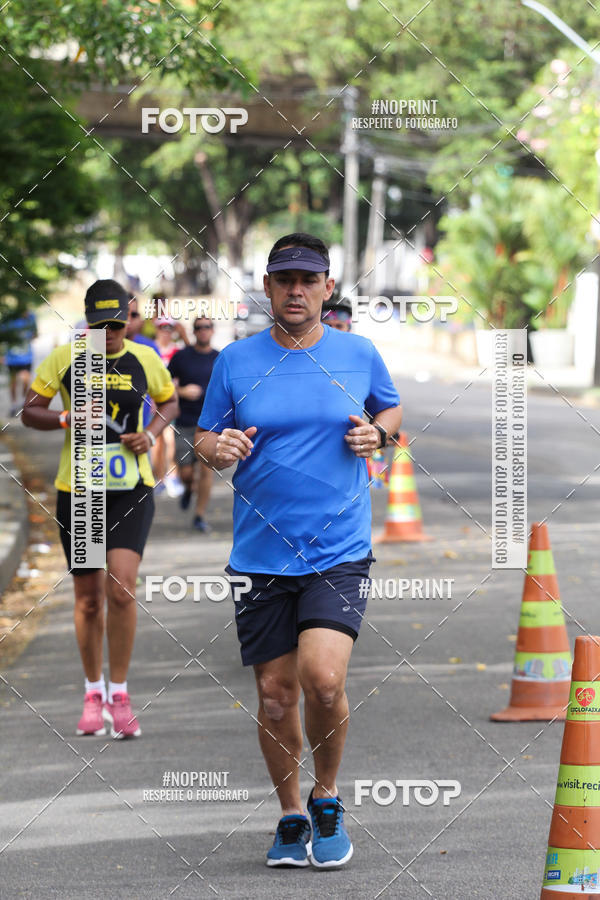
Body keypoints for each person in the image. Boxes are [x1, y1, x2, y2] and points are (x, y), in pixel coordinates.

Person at [195, 233, 402, 869]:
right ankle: (290, 813)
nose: (295, 290)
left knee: (324, 678)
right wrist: (217, 448)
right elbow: (203, 434)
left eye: (308, 280)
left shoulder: (359, 354)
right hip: (258, 556)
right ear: (267, 286)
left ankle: (328, 796)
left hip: (338, 549)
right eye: (284, 278)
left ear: (327, 288)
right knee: (276, 694)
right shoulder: (235, 360)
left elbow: (391, 415)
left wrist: (377, 435)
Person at [22, 279, 178, 739]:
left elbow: (168, 402)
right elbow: (31, 410)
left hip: (131, 486)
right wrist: (68, 417)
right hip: (82, 490)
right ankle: (93, 692)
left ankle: (120, 692)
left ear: (128, 319)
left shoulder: (145, 358)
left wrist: (149, 433)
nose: (108, 334)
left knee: (121, 590)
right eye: (99, 325)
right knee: (89, 598)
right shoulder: (66, 357)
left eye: (116, 324)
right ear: (87, 321)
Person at [168, 316, 219, 532]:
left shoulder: (220, 358)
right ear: (194, 331)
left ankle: (200, 515)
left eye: (207, 327)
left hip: (211, 424)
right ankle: (188, 489)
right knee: (186, 473)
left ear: (212, 330)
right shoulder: (182, 357)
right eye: (199, 328)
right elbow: (165, 385)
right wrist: (182, 391)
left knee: (207, 471)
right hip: (186, 422)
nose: (203, 331)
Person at [2, 310, 37, 416]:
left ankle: (23, 401)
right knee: (13, 382)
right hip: (11, 357)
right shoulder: (8, 317)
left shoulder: (31, 316)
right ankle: (14, 404)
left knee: (26, 379)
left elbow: (35, 334)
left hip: (26, 357)